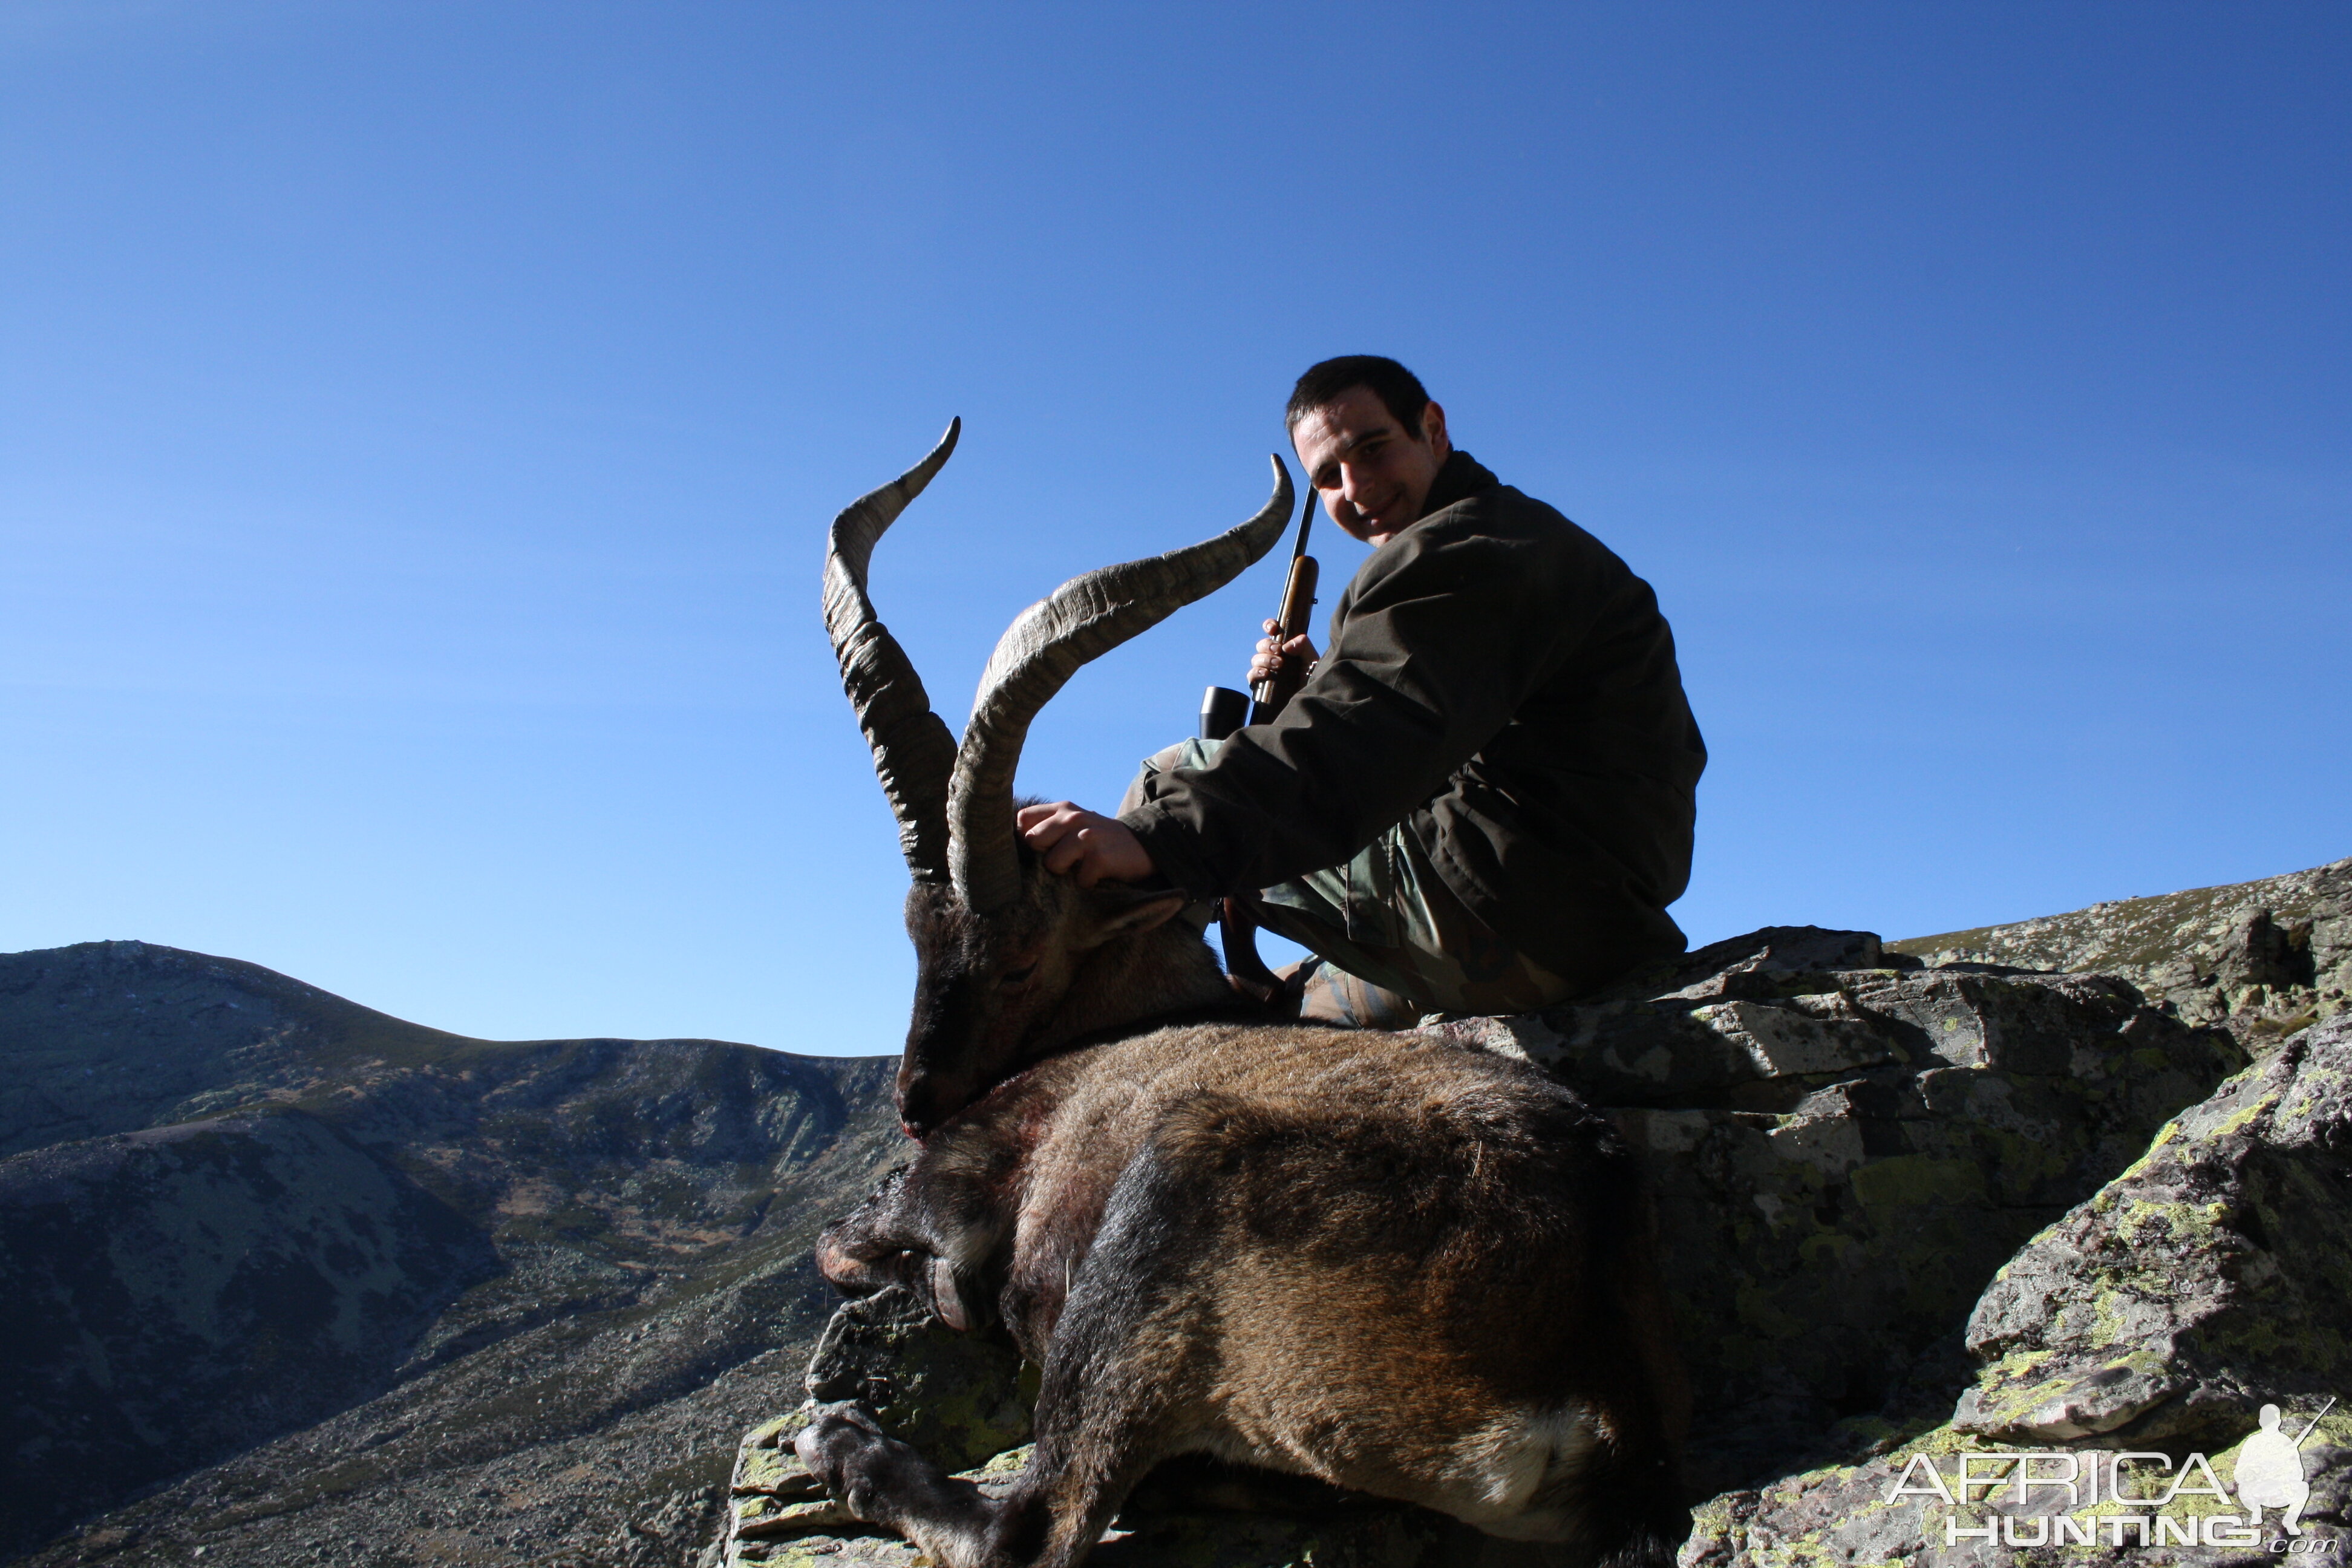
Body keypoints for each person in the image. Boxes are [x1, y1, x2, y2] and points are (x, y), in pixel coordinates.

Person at [1018, 356, 1707, 1025]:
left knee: (1168, 775)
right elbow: (1425, 738)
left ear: (1432, 430)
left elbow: (1366, 741)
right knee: (1294, 1002)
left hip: (1503, 915)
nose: (1356, 485)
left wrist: (1159, 837)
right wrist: (1316, 689)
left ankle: (1104, 1037)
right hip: (1579, 937)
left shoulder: (1466, 549)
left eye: (1373, 448)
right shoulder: (1509, 540)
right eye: (1328, 476)